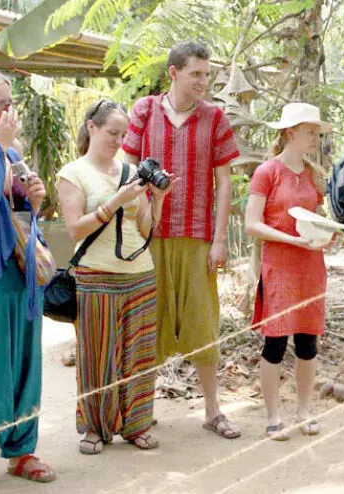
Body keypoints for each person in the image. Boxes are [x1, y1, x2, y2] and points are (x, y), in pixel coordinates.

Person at [122, 41, 241, 439]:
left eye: (207, 75)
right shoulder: (143, 111)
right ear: (173, 73)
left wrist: (220, 239)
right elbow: (126, 170)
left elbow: (224, 183)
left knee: (203, 323)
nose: (203, 82)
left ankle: (212, 410)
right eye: (196, 74)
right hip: (147, 236)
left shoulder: (216, 117)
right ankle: (141, 412)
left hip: (197, 236)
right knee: (147, 322)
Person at [57, 100, 178, 454]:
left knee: (139, 354)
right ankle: (95, 428)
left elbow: (142, 227)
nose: (118, 140)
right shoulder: (73, 173)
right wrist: (115, 201)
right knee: (97, 354)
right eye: (112, 133)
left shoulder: (131, 171)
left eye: (123, 134)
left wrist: (156, 200)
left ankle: (136, 425)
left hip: (140, 274)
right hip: (96, 276)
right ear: (92, 128)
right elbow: (75, 229)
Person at [245, 103, 331, 440]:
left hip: (311, 267)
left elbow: (318, 218)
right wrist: (292, 240)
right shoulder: (267, 172)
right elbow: (252, 224)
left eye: (316, 133)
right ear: (289, 132)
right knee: (275, 344)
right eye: (310, 132)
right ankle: (273, 416)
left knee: (309, 343)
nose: (314, 138)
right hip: (279, 267)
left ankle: (304, 410)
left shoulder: (314, 174)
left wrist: (328, 235)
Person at [0, 72, 56, 482]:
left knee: (23, 361)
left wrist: (33, 198)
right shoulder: (3, 146)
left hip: (18, 272)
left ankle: (22, 451)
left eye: (9, 103)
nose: (7, 113)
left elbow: (19, 209)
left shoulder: (11, 149)